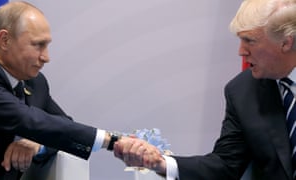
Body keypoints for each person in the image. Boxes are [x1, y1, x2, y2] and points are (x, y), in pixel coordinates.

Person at [114, 0, 296, 179]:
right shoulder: (243, 91)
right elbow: (225, 166)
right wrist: (160, 163)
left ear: (286, 42)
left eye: (249, 41)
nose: (241, 51)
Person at [0, 1, 157, 179]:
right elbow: (29, 120)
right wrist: (111, 140)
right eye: (37, 45)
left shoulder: (35, 83)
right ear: (5, 40)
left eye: (47, 45)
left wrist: (38, 145)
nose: (46, 57)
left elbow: (62, 124)